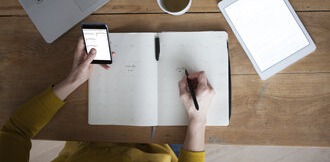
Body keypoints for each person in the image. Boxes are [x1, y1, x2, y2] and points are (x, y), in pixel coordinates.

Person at [0, 38, 215, 162]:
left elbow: (16, 131)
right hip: (158, 147)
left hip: (88, 141)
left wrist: (72, 81)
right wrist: (198, 120)